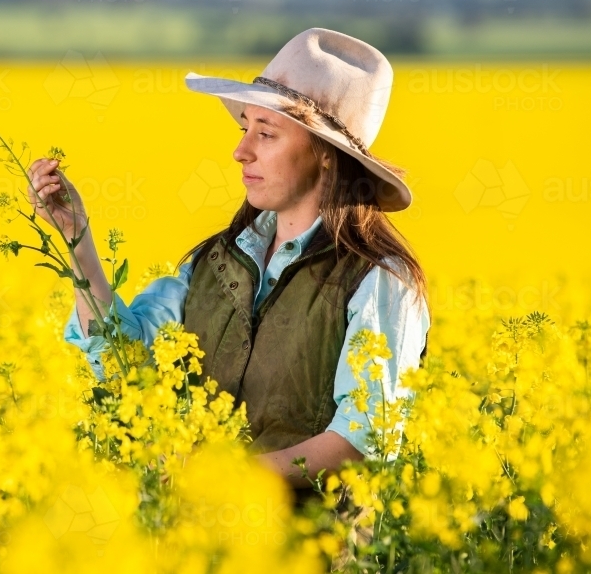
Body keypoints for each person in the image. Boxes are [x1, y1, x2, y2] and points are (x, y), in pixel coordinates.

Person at [25, 27, 430, 500]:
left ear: (326, 156)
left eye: (267, 133)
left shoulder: (379, 281)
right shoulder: (212, 264)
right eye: (245, 129)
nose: (241, 151)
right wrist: (76, 239)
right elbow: (122, 363)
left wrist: (231, 476)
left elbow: (365, 439)